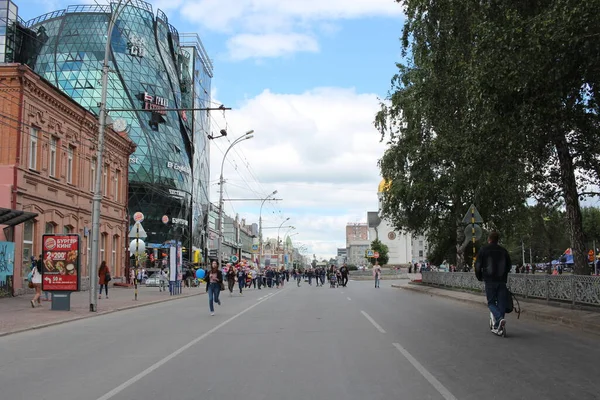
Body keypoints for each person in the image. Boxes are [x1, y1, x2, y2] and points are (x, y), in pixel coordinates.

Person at [475, 231, 512, 336]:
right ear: (497, 240)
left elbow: (477, 266)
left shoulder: (484, 250)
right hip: (502, 281)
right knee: (501, 303)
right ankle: (499, 325)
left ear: (489, 239)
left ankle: (499, 319)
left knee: (491, 303)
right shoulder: (503, 251)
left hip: (490, 280)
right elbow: (509, 266)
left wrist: (480, 277)